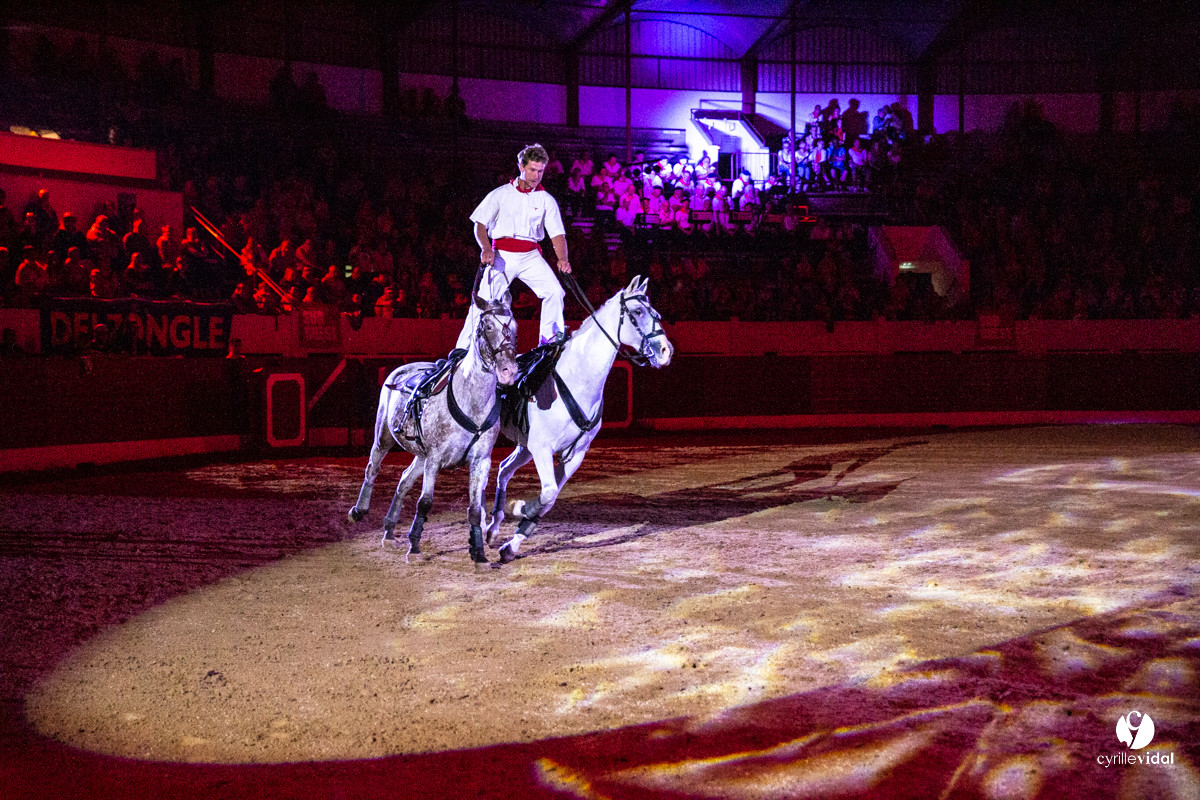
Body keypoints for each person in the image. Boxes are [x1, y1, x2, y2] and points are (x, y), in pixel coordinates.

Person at [454, 143, 571, 351]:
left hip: (531, 256)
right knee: (485, 300)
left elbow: (557, 234)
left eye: (541, 171)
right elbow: (480, 224)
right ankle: (462, 349)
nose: (536, 175)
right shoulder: (500, 194)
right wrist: (486, 248)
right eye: (533, 170)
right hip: (502, 255)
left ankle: (549, 342)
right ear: (521, 166)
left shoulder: (546, 200)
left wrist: (562, 259)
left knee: (555, 291)